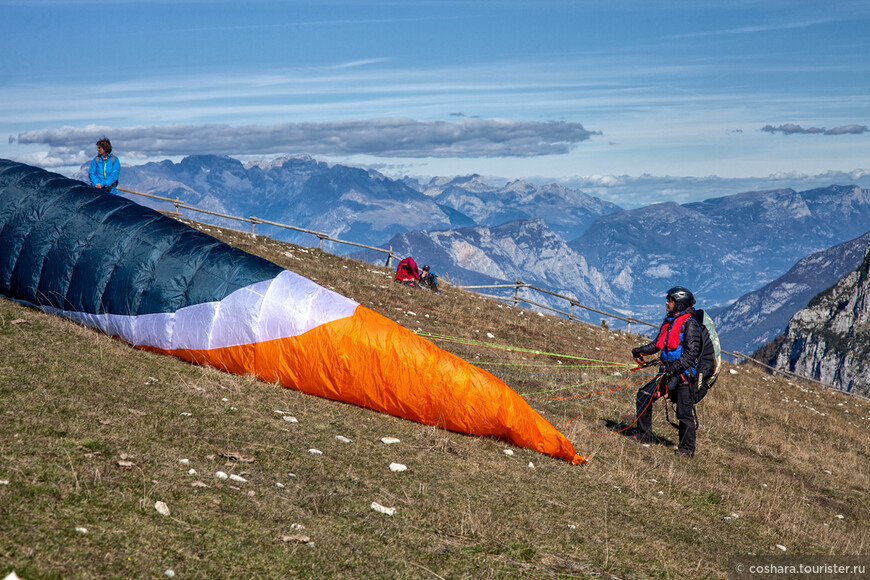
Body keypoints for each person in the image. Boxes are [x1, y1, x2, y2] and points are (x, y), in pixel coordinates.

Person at [630, 286, 701, 457]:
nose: (666, 303)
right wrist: (641, 350)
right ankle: (644, 435)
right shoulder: (669, 322)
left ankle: (687, 449)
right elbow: (658, 344)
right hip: (667, 373)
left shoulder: (690, 325)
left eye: (670, 300)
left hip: (683, 376)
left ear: (679, 304)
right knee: (644, 395)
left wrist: (674, 368)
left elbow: (692, 354)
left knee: (684, 414)